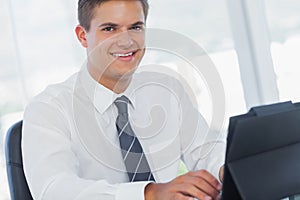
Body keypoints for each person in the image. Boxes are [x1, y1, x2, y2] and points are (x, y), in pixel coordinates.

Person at [22, 0, 225, 199]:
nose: (126, 41)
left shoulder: (167, 89)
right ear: (83, 36)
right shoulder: (48, 110)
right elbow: (53, 190)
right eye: (110, 29)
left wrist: (226, 170)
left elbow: (207, 151)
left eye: (135, 27)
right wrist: (148, 193)